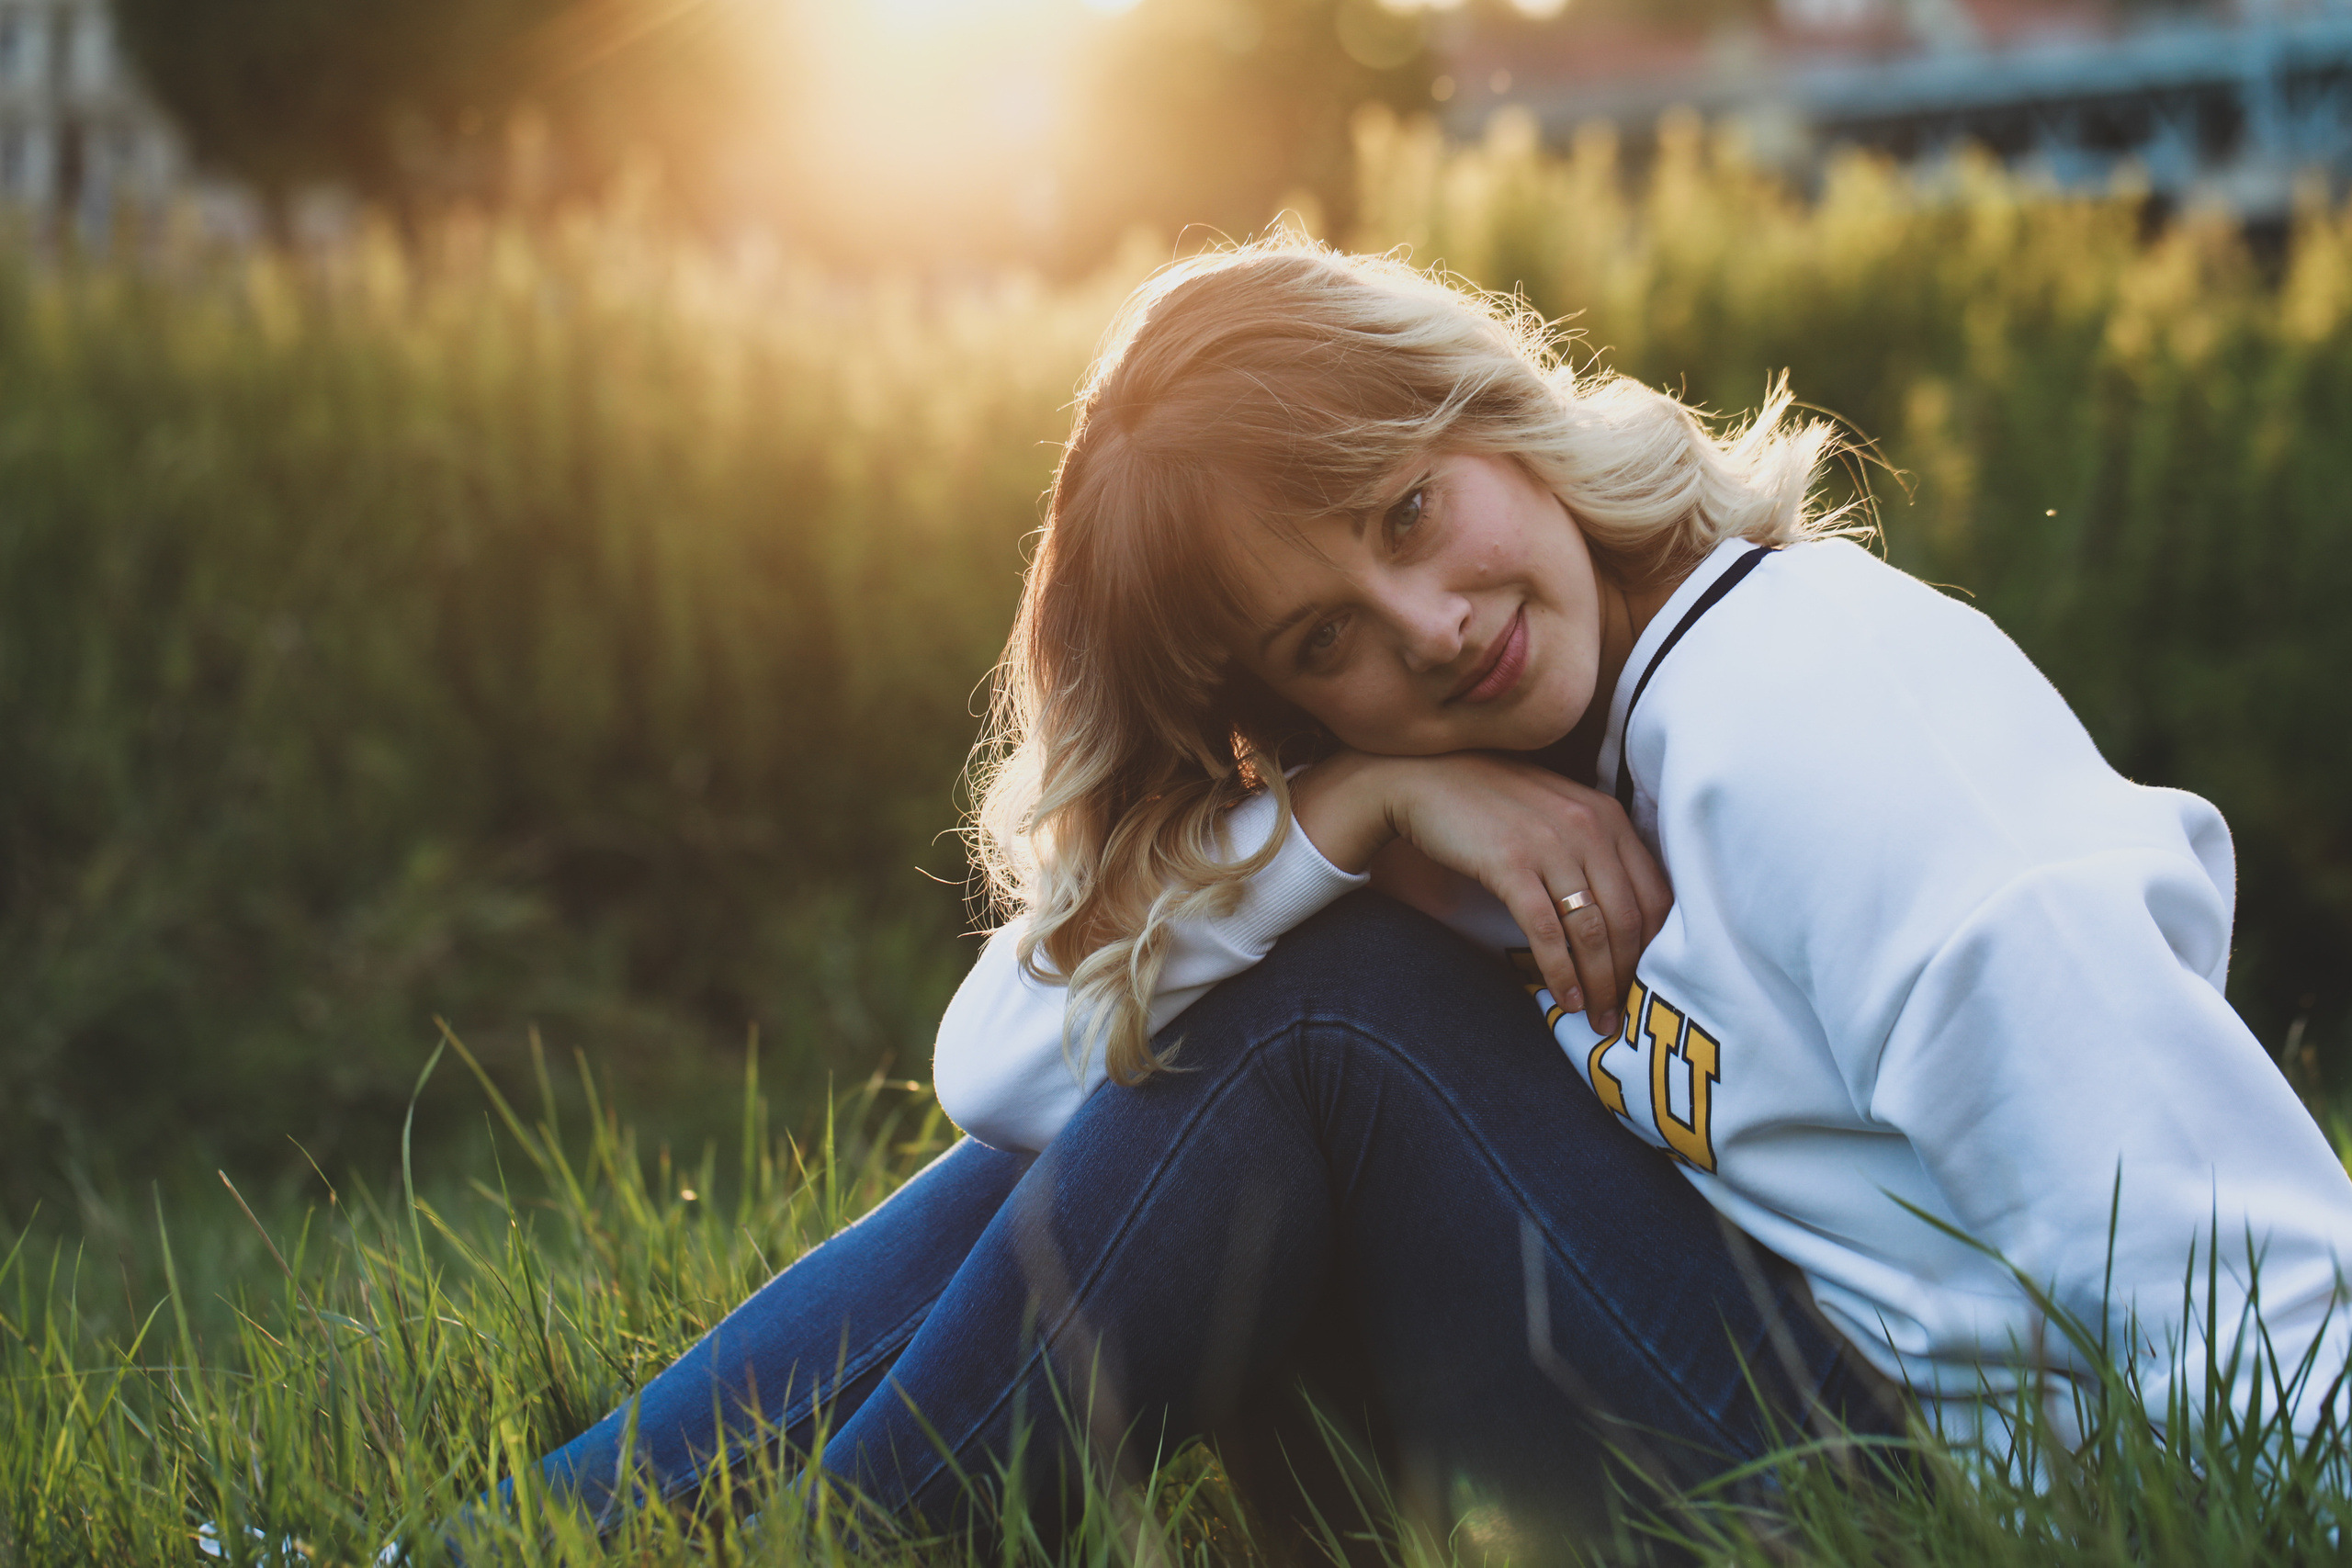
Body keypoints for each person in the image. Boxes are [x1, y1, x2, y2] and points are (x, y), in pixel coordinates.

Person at [501, 241, 2352, 1558]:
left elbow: (2225, 1243)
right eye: (1329, 644)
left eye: (1403, 513)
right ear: (1281, 709)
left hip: (1949, 1511)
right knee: (1173, 1069)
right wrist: (1363, 805)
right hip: (1775, 1404)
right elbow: (1006, 1063)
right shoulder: (1501, 782)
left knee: (1314, 1014)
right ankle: (525, 1541)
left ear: (1484, 407)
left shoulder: (1804, 714)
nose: (1432, 626)